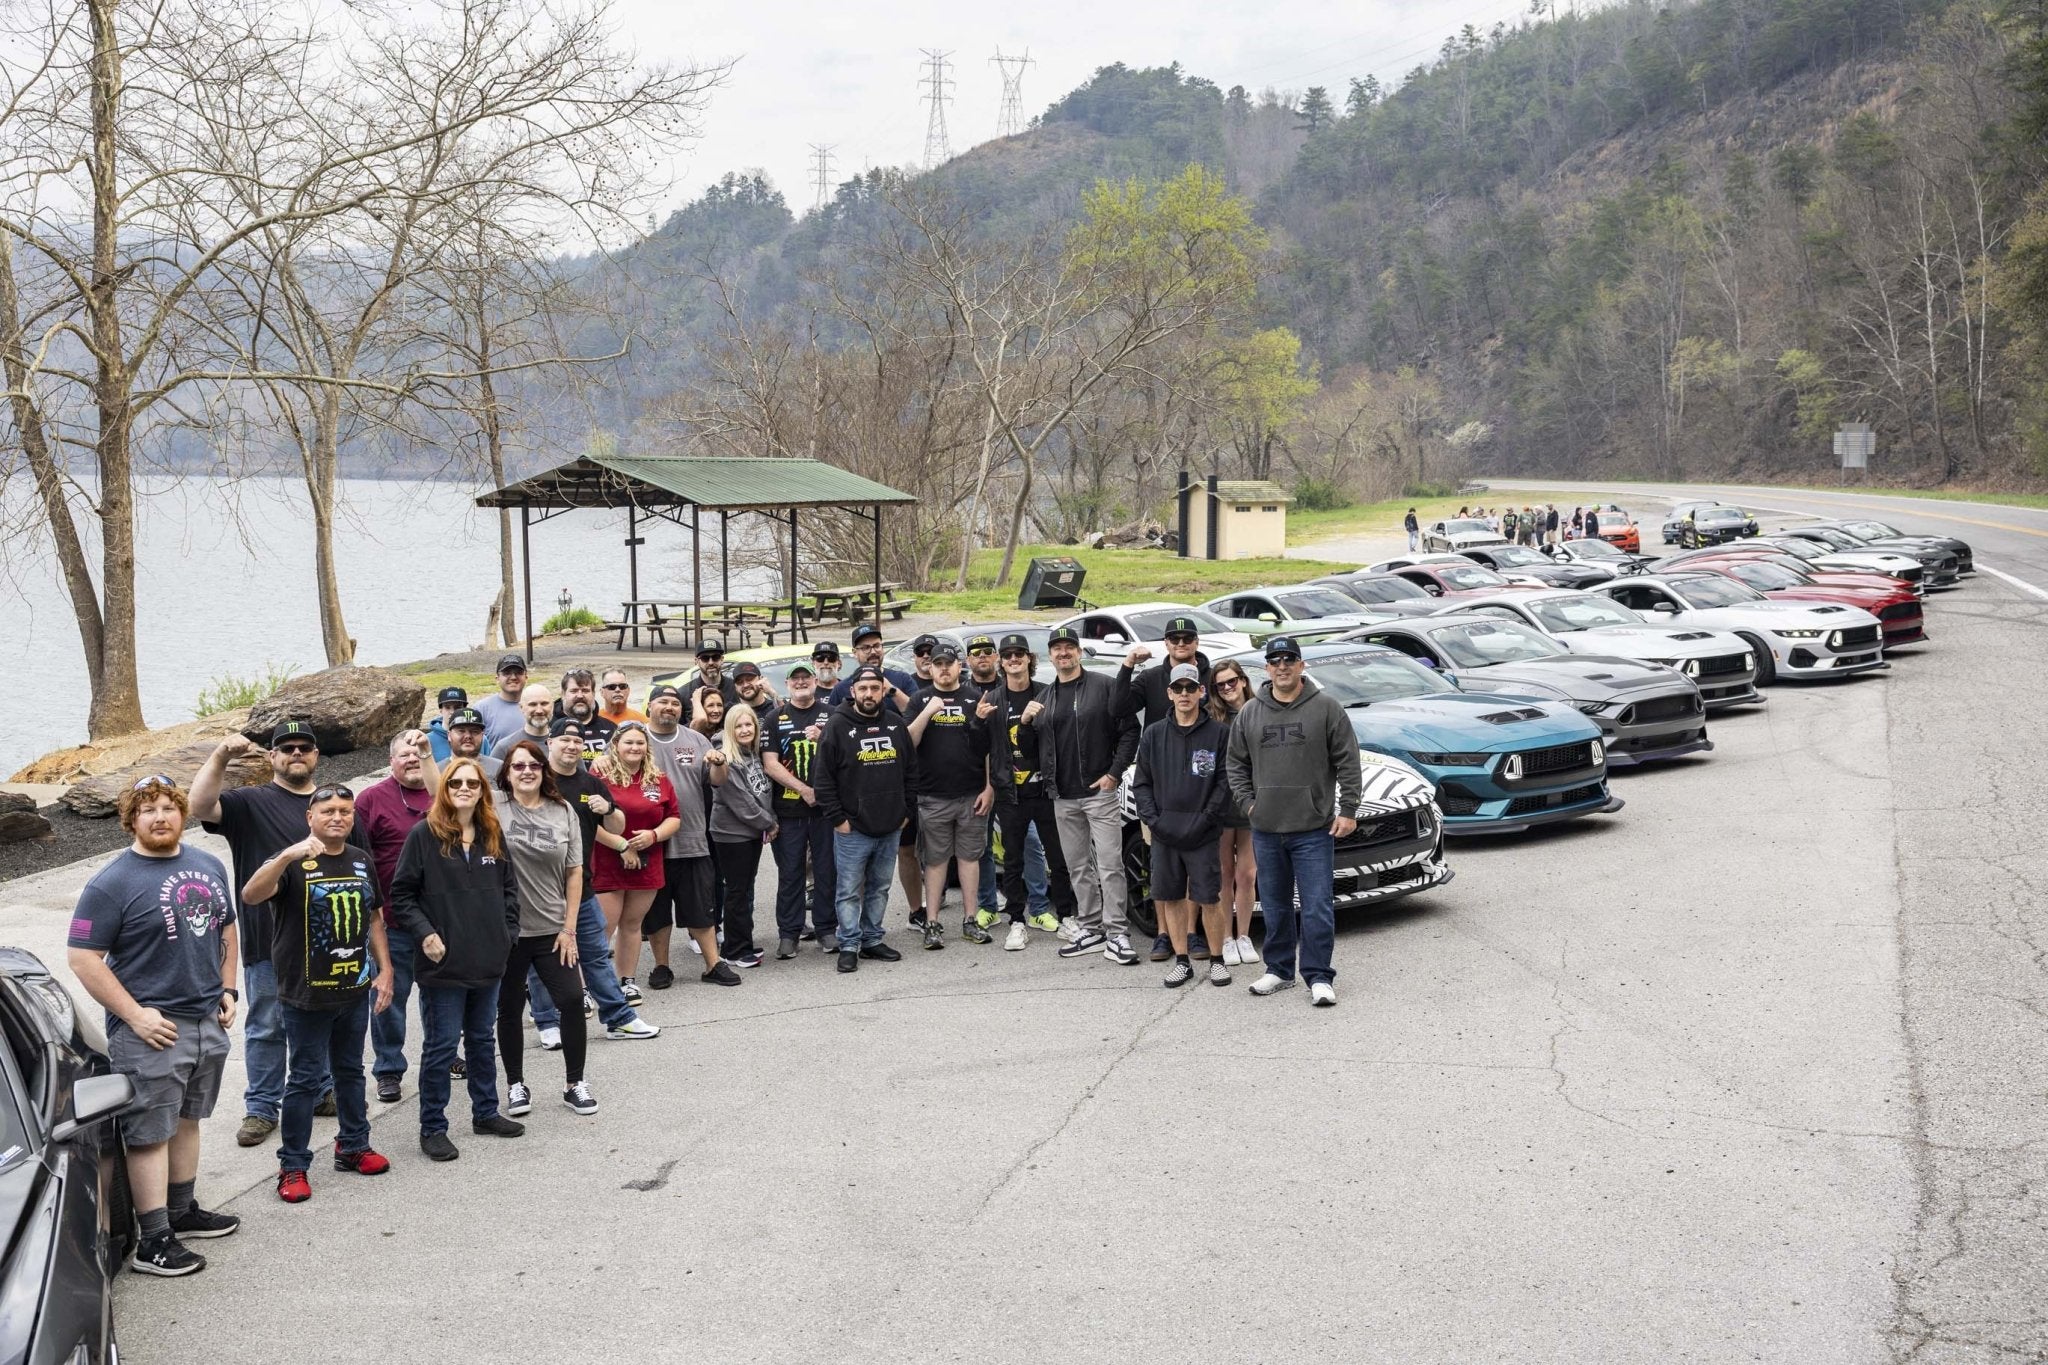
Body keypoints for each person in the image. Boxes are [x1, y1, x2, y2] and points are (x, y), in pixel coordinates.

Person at [67, 777, 242, 1276]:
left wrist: (228, 989)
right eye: (148, 810)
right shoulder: (111, 882)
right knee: (148, 1133)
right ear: (132, 820)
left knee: (187, 1119)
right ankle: (153, 1239)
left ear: (183, 814)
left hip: (207, 1019)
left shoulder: (207, 864)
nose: (160, 816)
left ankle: (182, 1210)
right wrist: (136, 1015)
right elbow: (83, 957)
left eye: (169, 807)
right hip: (153, 1029)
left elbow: (225, 926)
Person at [238, 783, 395, 1202]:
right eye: (327, 811)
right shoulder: (291, 862)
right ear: (310, 817)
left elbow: (374, 918)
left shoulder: (361, 861)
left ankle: (354, 1145)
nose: (338, 817)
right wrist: (286, 855)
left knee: (350, 1072)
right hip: (305, 995)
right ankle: (292, 1165)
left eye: (345, 810)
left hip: (353, 989)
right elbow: (251, 895)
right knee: (304, 1080)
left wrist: (386, 970)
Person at [188, 721, 333, 1148]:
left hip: (325, 940)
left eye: (304, 747)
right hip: (268, 938)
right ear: (272, 757)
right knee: (268, 1025)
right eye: (285, 748)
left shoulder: (333, 804)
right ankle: (262, 1106)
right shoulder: (248, 803)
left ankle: (320, 1089)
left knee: (320, 1020)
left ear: (316, 755)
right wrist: (220, 756)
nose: (295, 754)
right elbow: (199, 806)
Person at [390, 756, 526, 1160]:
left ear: (483, 790)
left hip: (488, 960)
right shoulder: (423, 836)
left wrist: (508, 935)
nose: (464, 789)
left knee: (482, 1040)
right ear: (444, 790)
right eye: (455, 784)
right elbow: (401, 895)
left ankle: (485, 1112)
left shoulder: (491, 834)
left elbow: (509, 891)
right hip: (443, 964)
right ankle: (432, 1127)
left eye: (472, 783)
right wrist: (425, 933)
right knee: (442, 1046)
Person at [1224, 636, 1363, 1008]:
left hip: (1313, 829)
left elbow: (1348, 761)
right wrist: (1249, 803)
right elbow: (1235, 764)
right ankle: (1280, 970)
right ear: (1266, 669)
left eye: (1289, 659)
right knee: (1274, 904)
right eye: (1274, 660)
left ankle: (1319, 976)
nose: (1282, 666)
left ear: (1301, 665)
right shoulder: (1251, 712)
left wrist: (1348, 810)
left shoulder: (1326, 708)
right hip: (1267, 829)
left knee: (1317, 905)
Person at [533, 718, 661, 1040]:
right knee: (541, 960)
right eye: (565, 739)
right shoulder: (535, 778)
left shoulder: (590, 782)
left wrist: (608, 810)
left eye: (578, 741)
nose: (572, 746)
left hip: (581, 885)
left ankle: (618, 1018)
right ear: (550, 742)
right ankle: (548, 1023)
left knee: (595, 954)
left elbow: (616, 826)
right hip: (538, 889)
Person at [491, 740, 599, 1119]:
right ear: (507, 772)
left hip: (553, 929)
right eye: (518, 766)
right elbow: (448, 791)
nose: (526, 772)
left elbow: (575, 871)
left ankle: (574, 1083)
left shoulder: (562, 809)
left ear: (543, 770)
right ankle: (516, 1084)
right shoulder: (493, 806)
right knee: (508, 1008)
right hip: (507, 932)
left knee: (571, 1000)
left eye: (533, 766)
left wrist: (569, 928)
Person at [1039, 627, 1139, 965]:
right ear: (1050, 655)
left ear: (1079, 652)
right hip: (1063, 796)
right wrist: (1027, 725)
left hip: (1099, 793)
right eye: (1057, 649)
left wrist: (1114, 773)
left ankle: (1118, 933)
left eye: (1069, 647)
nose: (1063, 653)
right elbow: (1031, 746)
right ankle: (1091, 927)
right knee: (1078, 867)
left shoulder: (1103, 686)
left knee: (1111, 865)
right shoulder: (1045, 698)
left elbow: (1129, 730)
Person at [1134, 665, 1235, 988]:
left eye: (1190, 688)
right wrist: (1155, 821)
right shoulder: (1153, 734)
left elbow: (1225, 782)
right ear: (1169, 693)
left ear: (1201, 692)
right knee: (1171, 897)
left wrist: (1206, 820)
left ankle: (1217, 960)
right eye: (1178, 689)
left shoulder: (1219, 734)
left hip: (1203, 832)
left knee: (1209, 897)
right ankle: (1182, 961)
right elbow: (1142, 784)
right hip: (1165, 832)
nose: (1185, 695)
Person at [814, 665, 916, 972]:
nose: (869, 694)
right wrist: (838, 820)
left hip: (891, 826)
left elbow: (911, 773)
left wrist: (906, 813)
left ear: (883, 691)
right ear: (852, 692)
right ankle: (849, 943)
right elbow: (823, 780)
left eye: (875, 688)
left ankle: (872, 939)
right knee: (848, 890)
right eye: (863, 689)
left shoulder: (896, 725)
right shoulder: (836, 726)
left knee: (879, 888)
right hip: (852, 829)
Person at [356, 731, 440, 1103]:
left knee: (440, 998)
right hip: (390, 921)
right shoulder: (371, 800)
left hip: (440, 920)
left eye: (417, 754)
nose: (410, 760)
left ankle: (443, 1055)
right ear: (390, 761)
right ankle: (389, 1069)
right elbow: (358, 859)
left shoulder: (443, 794)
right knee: (390, 998)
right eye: (402, 755)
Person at [982, 635, 1078, 950]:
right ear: (1002, 661)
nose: (1013, 659)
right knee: (1013, 861)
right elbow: (980, 749)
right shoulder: (994, 698)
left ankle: (1066, 917)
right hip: (1010, 794)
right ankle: (1017, 922)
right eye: (1007, 655)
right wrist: (976, 723)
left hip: (1045, 790)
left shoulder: (1046, 693)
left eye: (1019, 654)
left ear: (1029, 658)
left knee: (1058, 857)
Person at [640, 693, 736, 987]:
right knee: (656, 912)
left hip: (692, 838)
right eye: (662, 702)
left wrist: (720, 762)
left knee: (701, 907)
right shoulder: (633, 738)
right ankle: (661, 967)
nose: (668, 707)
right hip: (649, 842)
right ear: (649, 707)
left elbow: (717, 781)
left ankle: (713, 965)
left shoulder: (696, 740)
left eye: (674, 704)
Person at [589, 722, 684, 1001]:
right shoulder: (600, 775)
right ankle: (587, 986)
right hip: (607, 861)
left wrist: (654, 836)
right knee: (602, 929)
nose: (634, 748)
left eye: (640, 743)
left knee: (632, 925)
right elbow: (587, 822)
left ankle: (625, 981)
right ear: (616, 745)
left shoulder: (658, 778)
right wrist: (622, 847)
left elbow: (674, 816)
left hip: (647, 861)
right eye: (628, 742)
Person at [907, 644, 992, 948]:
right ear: (929, 669)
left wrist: (989, 787)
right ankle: (932, 923)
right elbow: (909, 742)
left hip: (971, 794)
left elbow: (987, 749)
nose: (943, 669)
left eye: (948, 663)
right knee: (936, 860)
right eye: (937, 664)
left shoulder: (974, 698)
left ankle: (970, 920)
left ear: (959, 667)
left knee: (970, 858)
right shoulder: (919, 700)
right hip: (932, 796)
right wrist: (928, 712)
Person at [761, 660, 836, 958]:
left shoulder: (832, 715)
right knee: (790, 873)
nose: (801, 682)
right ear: (788, 684)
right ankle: (789, 933)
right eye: (796, 678)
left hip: (826, 811)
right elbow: (770, 763)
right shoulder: (774, 717)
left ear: (816, 682)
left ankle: (827, 929)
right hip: (788, 812)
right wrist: (804, 789)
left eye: (807, 677)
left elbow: (844, 756)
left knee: (826, 871)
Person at [706, 705, 777, 967]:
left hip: (750, 833)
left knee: (745, 888)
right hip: (731, 834)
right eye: (738, 726)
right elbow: (741, 801)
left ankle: (742, 941)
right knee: (737, 891)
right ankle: (734, 950)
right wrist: (768, 824)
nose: (745, 730)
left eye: (749, 725)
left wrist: (766, 822)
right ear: (729, 730)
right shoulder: (727, 758)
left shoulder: (751, 754)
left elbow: (761, 794)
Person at [1205, 659, 1261, 969]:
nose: (1227, 688)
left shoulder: (1258, 710)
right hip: (1221, 803)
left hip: (1253, 802)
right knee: (1224, 874)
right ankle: (1226, 937)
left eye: (1231, 681)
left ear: (1242, 680)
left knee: (1247, 874)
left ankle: (1244, 936)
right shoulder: (1213, 718)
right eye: (1220, 684)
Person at [475, 654, 531, 753]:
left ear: (526, 676)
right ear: (497, 678)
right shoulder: (482, 709)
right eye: (507, 673)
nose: (513, 677)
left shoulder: (537, 706)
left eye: (518, 672)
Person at [556, 668, 616, 760]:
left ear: (594, 694)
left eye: (585, 691)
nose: (580, 695)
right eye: (574, 691)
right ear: (563, 694)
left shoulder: (611, 729)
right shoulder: (551, 727)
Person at [680, 642, 740, 726]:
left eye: (715, 657)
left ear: (722, 659)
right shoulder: (684, 693)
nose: (711, 662)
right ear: (697, 661)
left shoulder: (736, 688)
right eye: (705, 658)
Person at [492, 682, 555, 756]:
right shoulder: (505, 747)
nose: (539, 710)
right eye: (533, 704)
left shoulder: (564, 745)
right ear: (521, 707)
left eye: (544, 704)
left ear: (552, 706)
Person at [444, 707, 501, 780]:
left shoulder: (499, 768)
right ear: (449, 735)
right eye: (461, 731)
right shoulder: (437, 771)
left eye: (474, 731)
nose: (468, 736)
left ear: (482, 736)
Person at [426, 686, 466, 763]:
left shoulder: (478, 738)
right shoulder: (427, 740)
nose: (452, 711)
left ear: (465, 708)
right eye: (447, 707)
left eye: (457, 707)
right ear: (440, 709)